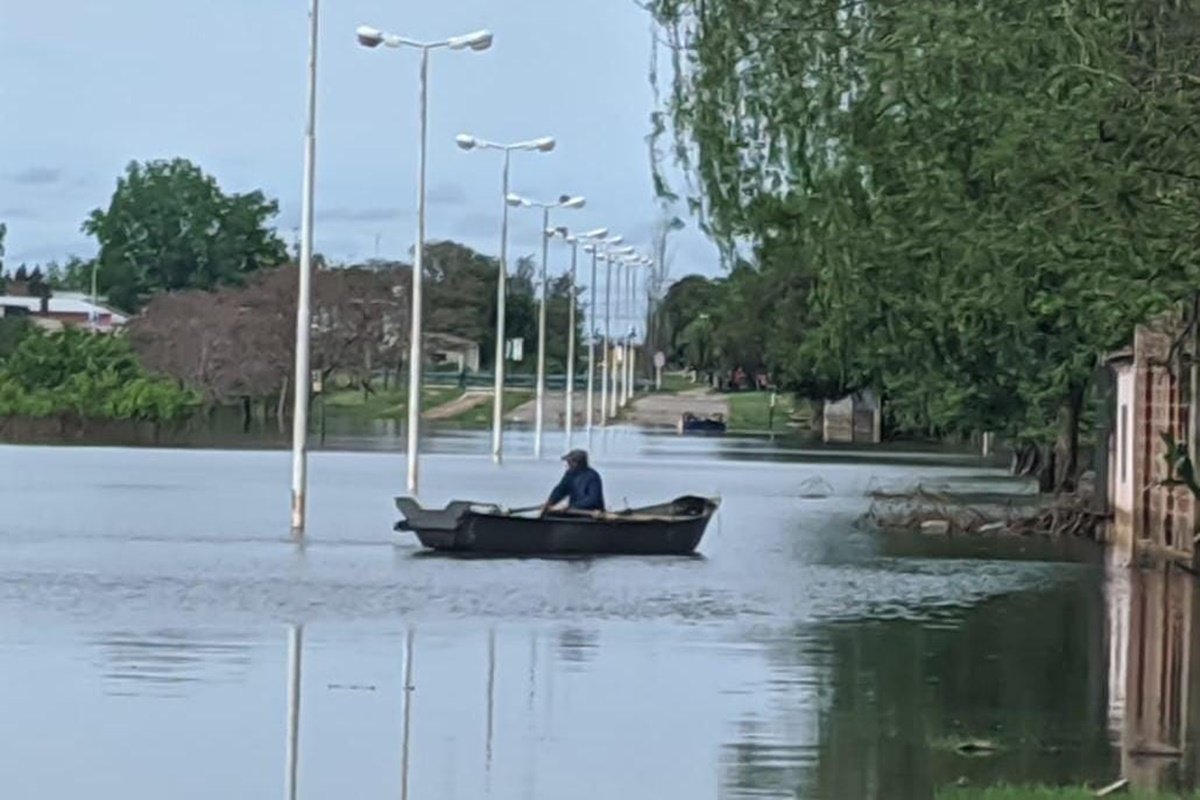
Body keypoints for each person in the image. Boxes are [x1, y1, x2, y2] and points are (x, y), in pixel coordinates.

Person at [542, 449, 605, 515]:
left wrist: (571, 506)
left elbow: (592, 500)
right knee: (548, 513)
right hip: (573, 512)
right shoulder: (570, 474)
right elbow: (560, 490)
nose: (567, 464)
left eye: (569, 462)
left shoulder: (593, 476)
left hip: (590, 513)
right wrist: (550, 502)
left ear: (576, 463)